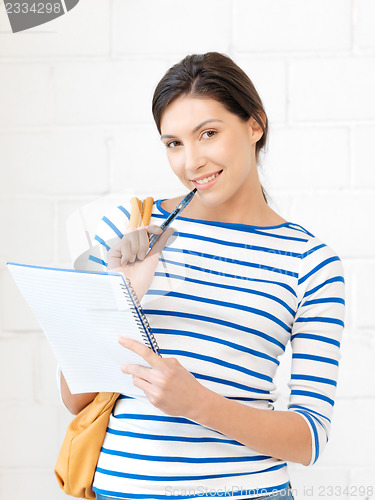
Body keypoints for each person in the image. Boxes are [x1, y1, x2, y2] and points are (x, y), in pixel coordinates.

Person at [59, 52, 345, 500]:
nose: (191, 161)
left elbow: (310, 438)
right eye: (173, 143)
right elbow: (74, 398)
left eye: (208, 134)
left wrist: (198, 405)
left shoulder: (311, 261)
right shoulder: (130, 227)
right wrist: (121, 296)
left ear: (255, 125)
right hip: (123, 491)